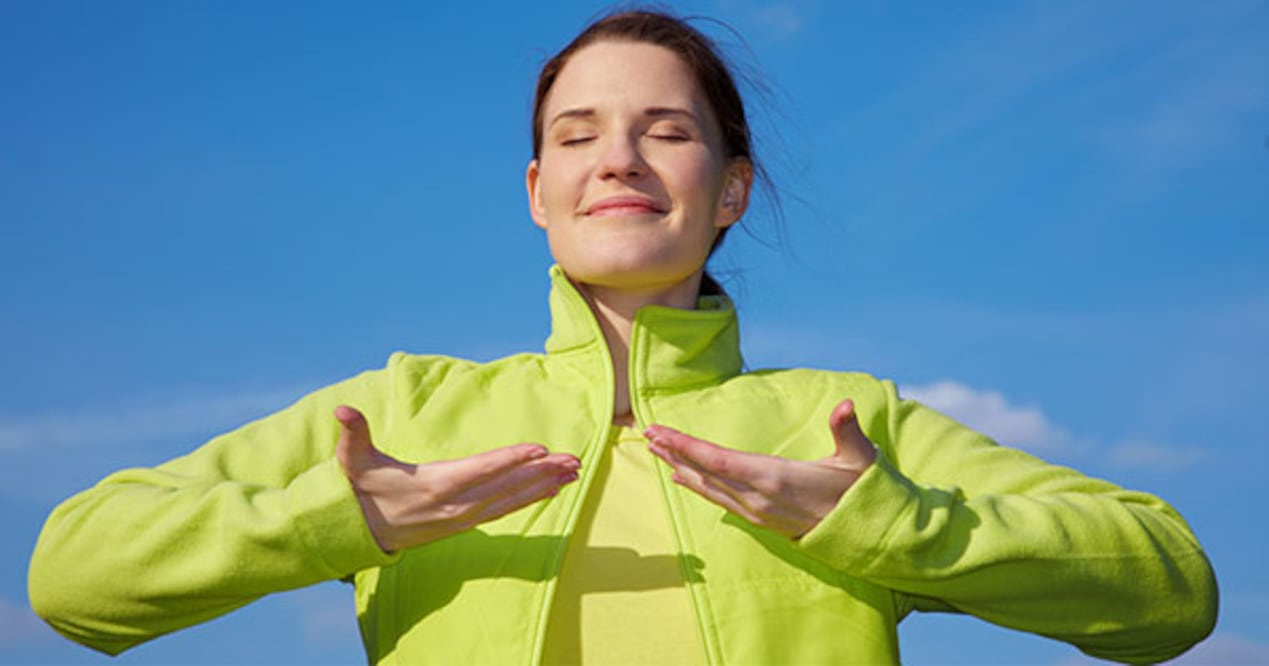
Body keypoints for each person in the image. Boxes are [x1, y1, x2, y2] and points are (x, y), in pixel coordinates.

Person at [29, 9, 1217, 665]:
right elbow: (76, 576)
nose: (621, 158)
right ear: (538, 188)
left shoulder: (845, 423)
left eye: (666, 130)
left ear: (733, 189)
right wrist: (352, 517)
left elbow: (1171, 588)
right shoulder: (397, 414)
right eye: (582, 133)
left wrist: (882, 522)